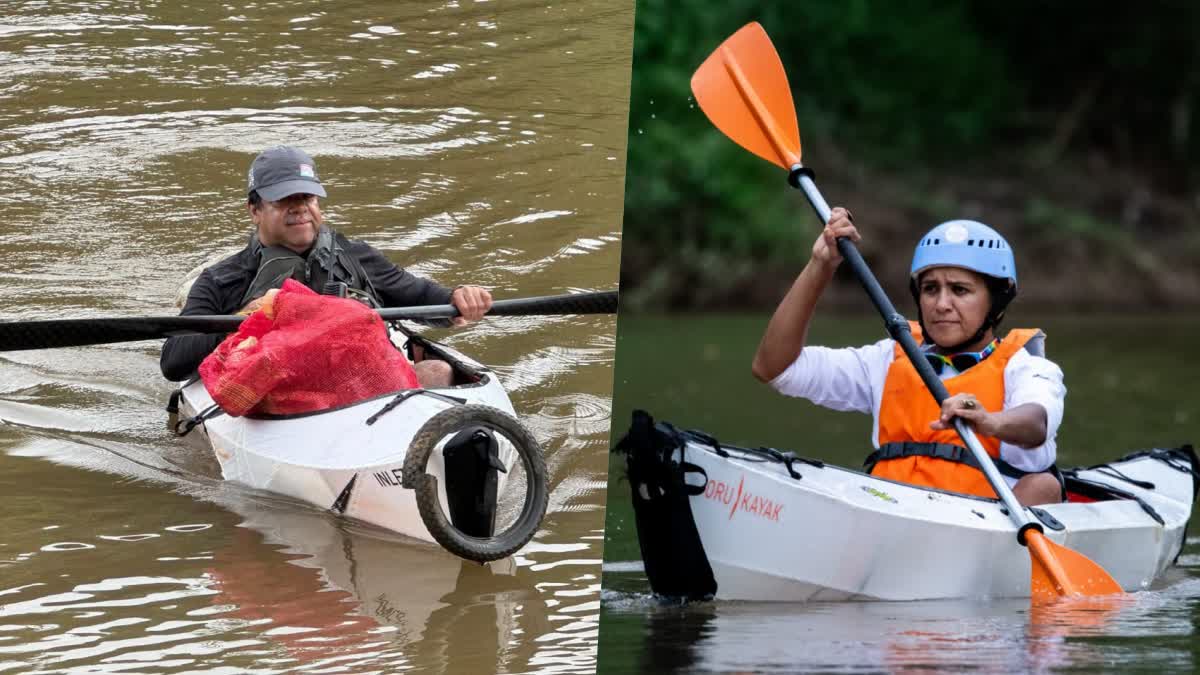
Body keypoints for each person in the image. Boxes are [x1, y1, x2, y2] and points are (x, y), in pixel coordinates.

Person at [751, 207, 1065, 506]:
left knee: (1043, 487)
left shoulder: (1026, 367)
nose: (941, 304)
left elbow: (1036, 423)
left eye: (959, 290)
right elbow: (775, 368)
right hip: (894, 522)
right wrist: (820, 265)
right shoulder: (887, 360)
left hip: (977, 536)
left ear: (996, 301)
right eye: (930, 289)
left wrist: (988, 420)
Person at [160, 145, 492, 387]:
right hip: (277, 393)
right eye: (284, 200)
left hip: (362, 385)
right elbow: (174, 362)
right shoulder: (222, 280)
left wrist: (459, 298)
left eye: (307, 198)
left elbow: (422, 297)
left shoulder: (357, 257)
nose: (300, 208)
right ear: (255, 210)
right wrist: (247, 317)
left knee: (439, 373)